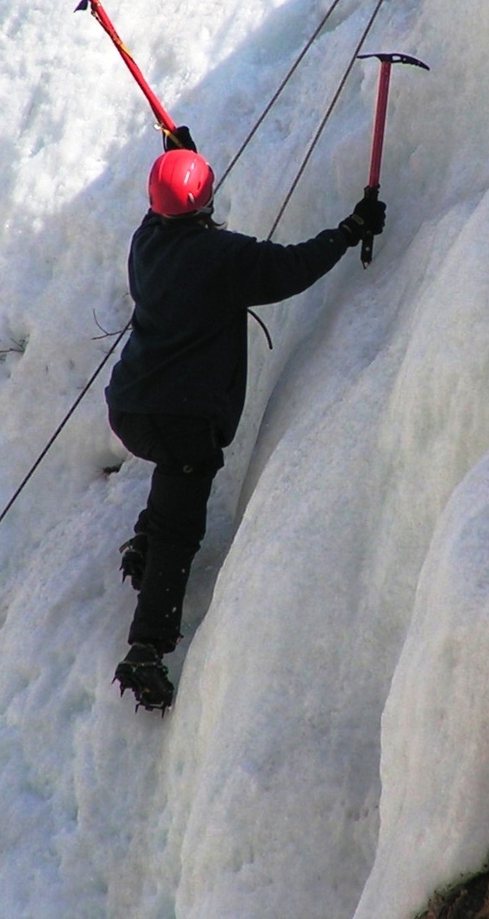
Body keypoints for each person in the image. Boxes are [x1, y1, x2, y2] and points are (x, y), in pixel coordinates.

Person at [104, 126, 385, 712]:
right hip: (183, 418)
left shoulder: (146, 240)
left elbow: (171, 201)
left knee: (172, 476)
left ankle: (145, 543)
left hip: (131, 406)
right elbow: (290, 268)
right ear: (204, 202)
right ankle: (146, 649)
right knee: (184, 517)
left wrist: (176, 156)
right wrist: (349, 231)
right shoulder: (221, 258)